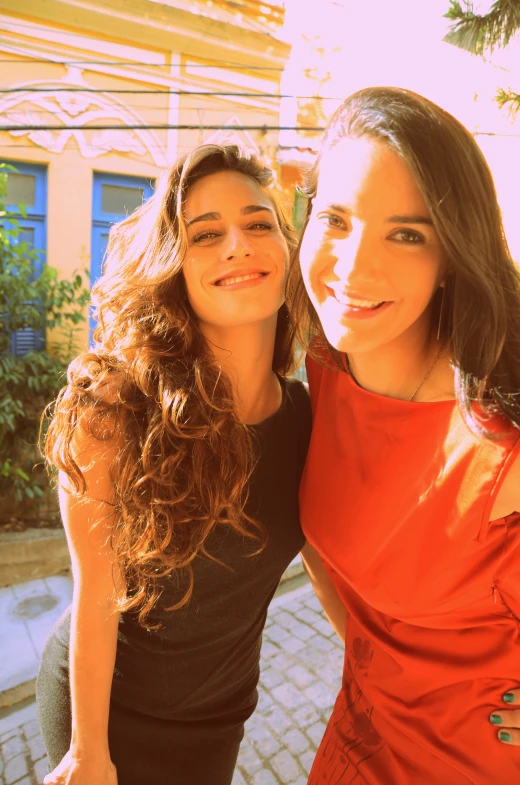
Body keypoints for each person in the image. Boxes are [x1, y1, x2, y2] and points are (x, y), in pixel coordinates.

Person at [36, 143, 312, 785]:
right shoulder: (113, 406)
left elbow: (332, 563)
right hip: (105, 711)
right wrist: (86, 751)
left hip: (217, 717)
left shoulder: (306, 414)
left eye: (258, 223)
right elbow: (96, 594)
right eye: (206, 234)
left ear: (284, 247)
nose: (238, 245)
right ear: (172, 266)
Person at [292, 87, 520, 783]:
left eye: (407, 232)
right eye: (335, 219)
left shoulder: (495, 452)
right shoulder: (324, 371)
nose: (354, 266)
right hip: (359, 734)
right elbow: (320, 546)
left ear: (451, 254)